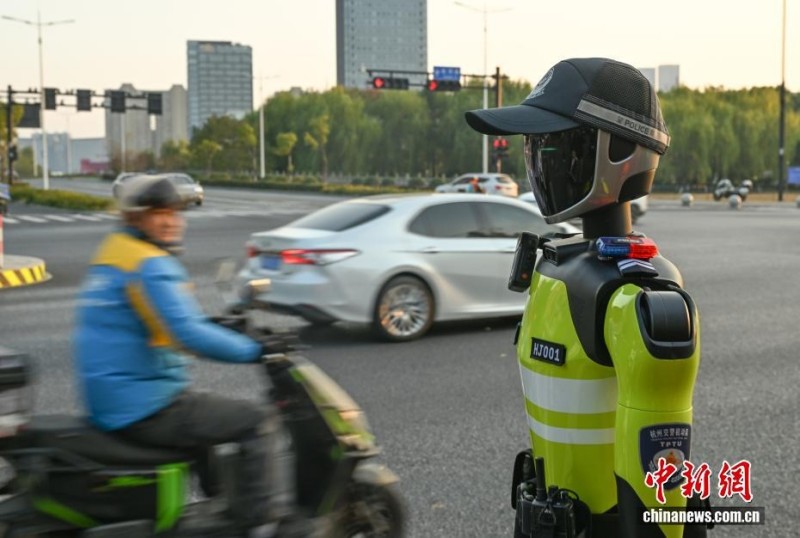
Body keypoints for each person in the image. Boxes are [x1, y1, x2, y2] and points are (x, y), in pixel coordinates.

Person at [73, 174, 305, 537]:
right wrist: (256, 349)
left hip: (113, 399)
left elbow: (158, 320)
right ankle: (260, 525)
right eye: (158, 213)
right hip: (144, 405)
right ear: (137, 217)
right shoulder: (149, 262)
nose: (170, 221)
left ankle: (222, 509)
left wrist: (217, 326)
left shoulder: (114, 252)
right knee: (257, 421)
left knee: (206, 421)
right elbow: (187, 334)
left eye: (174, 212)